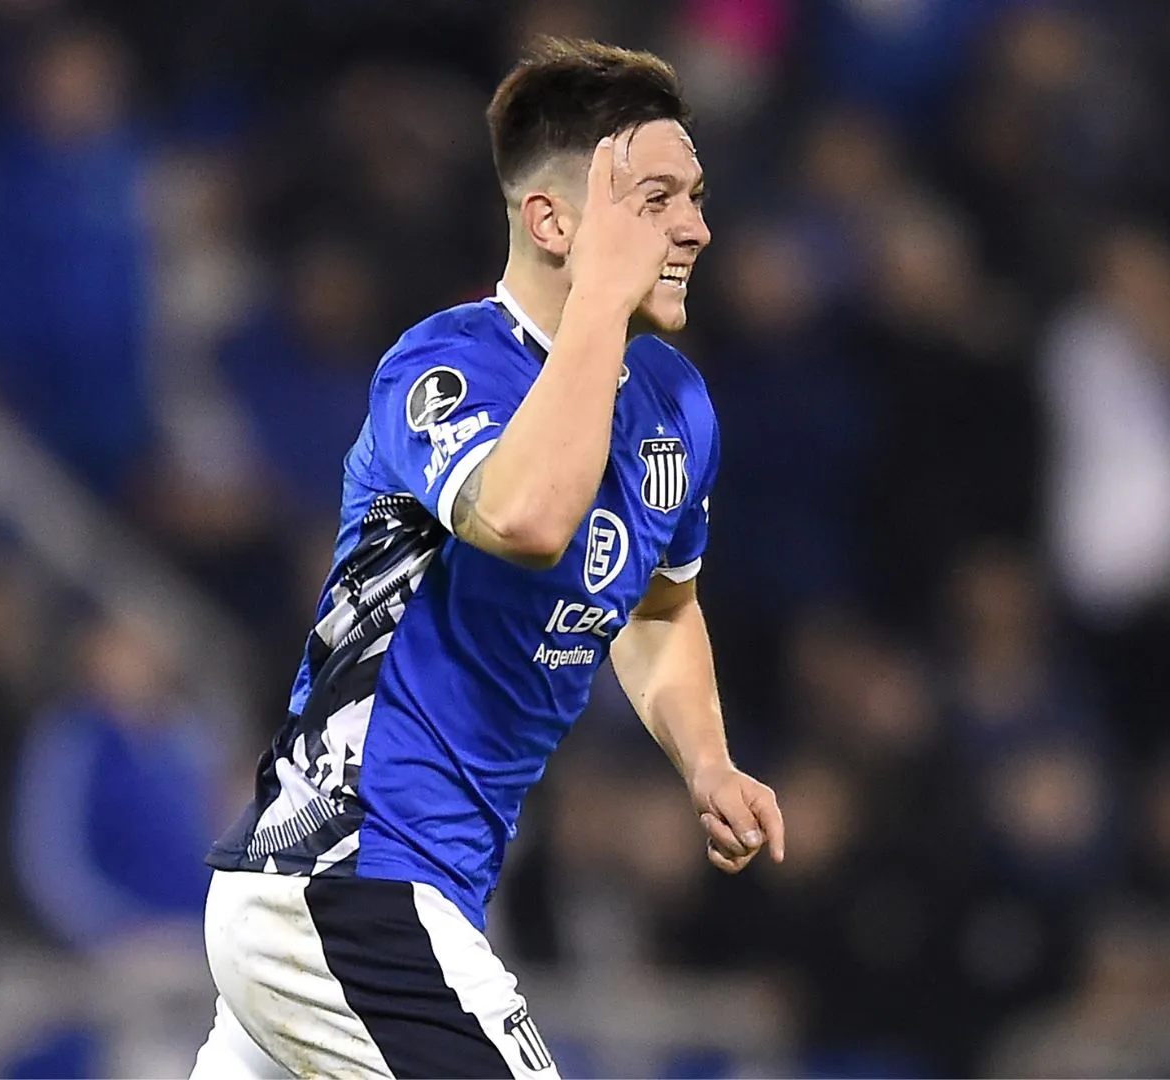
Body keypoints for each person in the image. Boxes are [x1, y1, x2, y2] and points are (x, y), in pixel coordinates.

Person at [190, 38, 784, 1080]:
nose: (695, 228)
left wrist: (706, 761)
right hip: (345, 888)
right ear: (556, 221)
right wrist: (600, 299)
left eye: (696, 197)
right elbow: (526, 519)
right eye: (655, 199)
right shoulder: (442, 367)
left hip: (408, 897)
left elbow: (657, 608)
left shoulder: (676, 409)